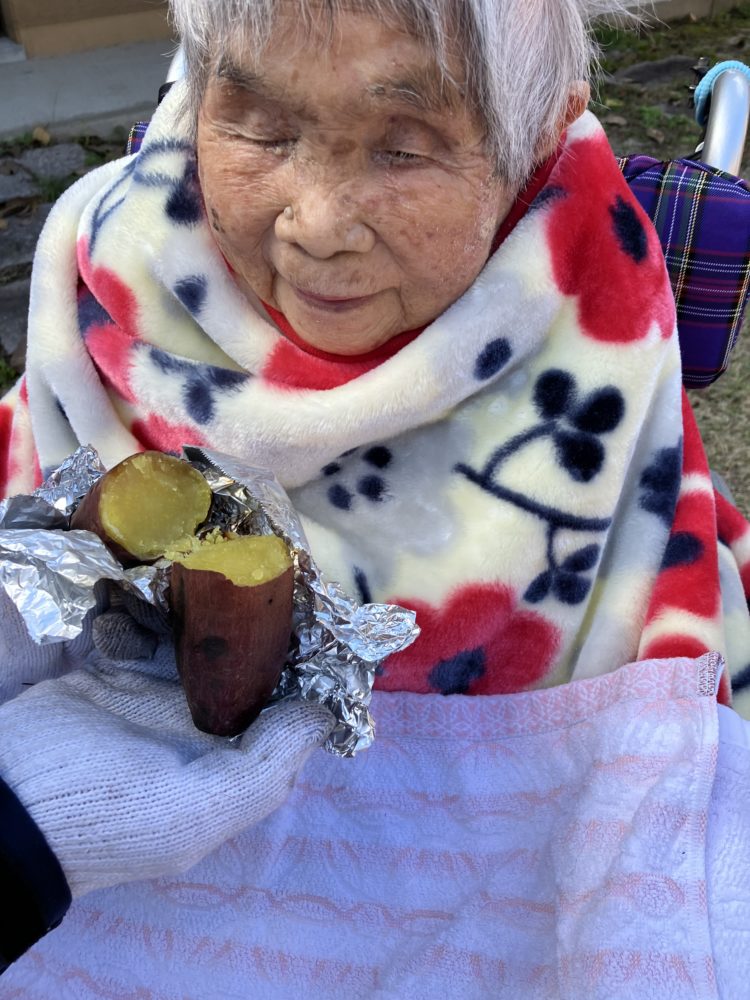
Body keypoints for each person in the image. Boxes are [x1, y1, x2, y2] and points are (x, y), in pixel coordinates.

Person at [1, 0, 750, 994]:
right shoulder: (106, 286)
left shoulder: (594, 318)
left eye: (404, 149)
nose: (316, 226)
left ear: (536, 137)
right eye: (260, 129)